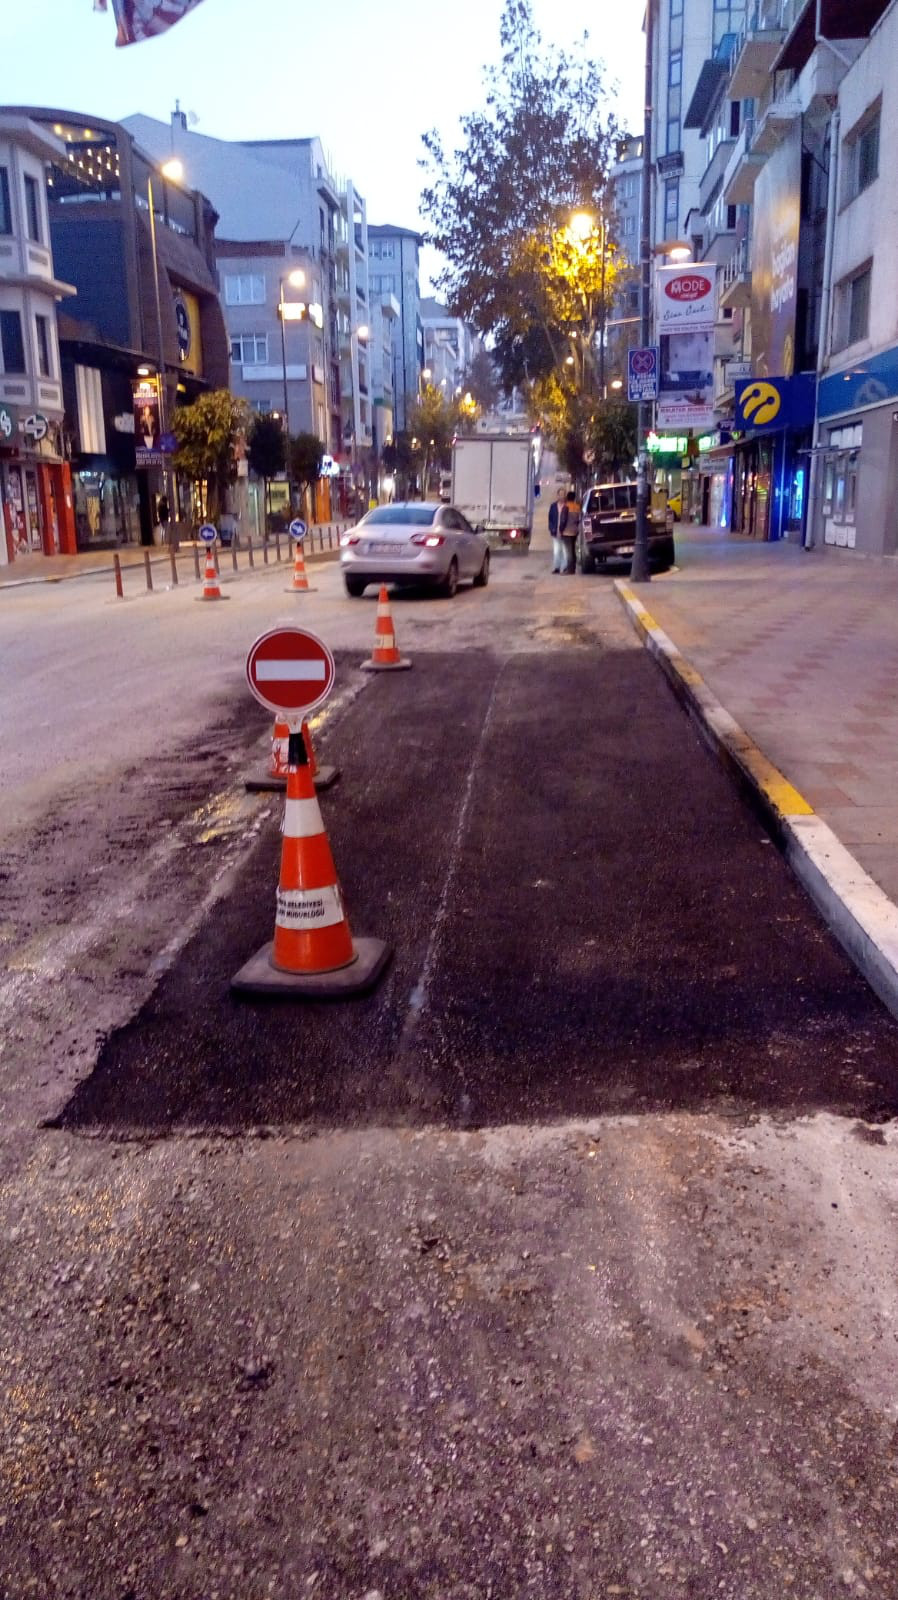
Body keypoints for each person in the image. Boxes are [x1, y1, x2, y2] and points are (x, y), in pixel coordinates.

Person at [558, 489, 581, 574]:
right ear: (574, 498)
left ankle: (569, 570)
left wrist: (561, 529)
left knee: (569, 552)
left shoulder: (566, 507)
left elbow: (563, 520)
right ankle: (573, 568)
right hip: (575, 531)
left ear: (567, 498)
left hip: (567, 532)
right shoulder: (577, 507)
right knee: (573, 550)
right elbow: (579, 519)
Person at [548, 487, 567, 573]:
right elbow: (550, 518)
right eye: (560, 494)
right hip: (555, 531)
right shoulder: (553, 506)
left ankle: (565, 567)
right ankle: (557, 567)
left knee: (564, 551)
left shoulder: (567, 506)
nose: (562, 496)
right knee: (556, 551)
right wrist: (551, 528)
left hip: (565, 532)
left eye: (563, 494)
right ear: (557, 495)